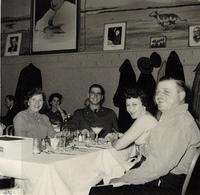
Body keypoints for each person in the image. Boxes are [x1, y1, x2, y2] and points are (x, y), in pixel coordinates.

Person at [89, 78, 200, 195]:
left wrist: (125, 178)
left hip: (165, 185)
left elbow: (157, 167)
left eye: (166, 92)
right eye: (158, 92)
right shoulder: (171, 119)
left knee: (97, 191)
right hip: (163, 180)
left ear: (181, 95)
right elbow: (154, 153)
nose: (160, 96)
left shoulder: (179, 123)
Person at [113, 88, 158, 160]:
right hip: (148, 160)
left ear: (144, 104)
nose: (130, 109)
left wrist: (112, 140)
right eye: (128, 105)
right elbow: (130, 135)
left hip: (152, 164)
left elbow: (118, 146)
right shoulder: (145, 116)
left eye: (134, 104)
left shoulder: (144, 119)